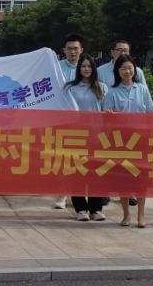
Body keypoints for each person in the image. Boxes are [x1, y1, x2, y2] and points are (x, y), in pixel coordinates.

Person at [102, 54, 153, 228]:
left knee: (141, 178)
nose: (127, 71)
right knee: (122, 178)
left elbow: (151, 113)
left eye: (130, 68)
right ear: (118, 71)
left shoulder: (142, 89)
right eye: (123, 68)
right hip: (121, 142)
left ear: (135, 70)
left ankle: (141, 214)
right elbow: (105, 118)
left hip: (140, 140)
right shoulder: (112, 92)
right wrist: (110, 117)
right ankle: (126, 214)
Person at [63, 53, 110, 222]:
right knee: (78, 172)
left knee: (96, 172)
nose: (86, 69)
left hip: (97, 136)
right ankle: (80, 208)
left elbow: (106, 110)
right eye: (83, 66)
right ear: (79, 69)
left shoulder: (102, 87)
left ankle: (96, 209)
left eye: (89, 66)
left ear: (94, 69)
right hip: (76, 135)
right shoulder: (70, 88)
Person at [53, 33, 85, 211]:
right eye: (70, 48)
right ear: (64, 50)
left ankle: (79, 194)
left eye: (76, 48)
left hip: (84, 122)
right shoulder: (56, 68)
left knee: (82, 159)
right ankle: (62, 194)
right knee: (64, 158)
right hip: (63, 121)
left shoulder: (87, 67)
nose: (73, 52)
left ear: (81, 50)